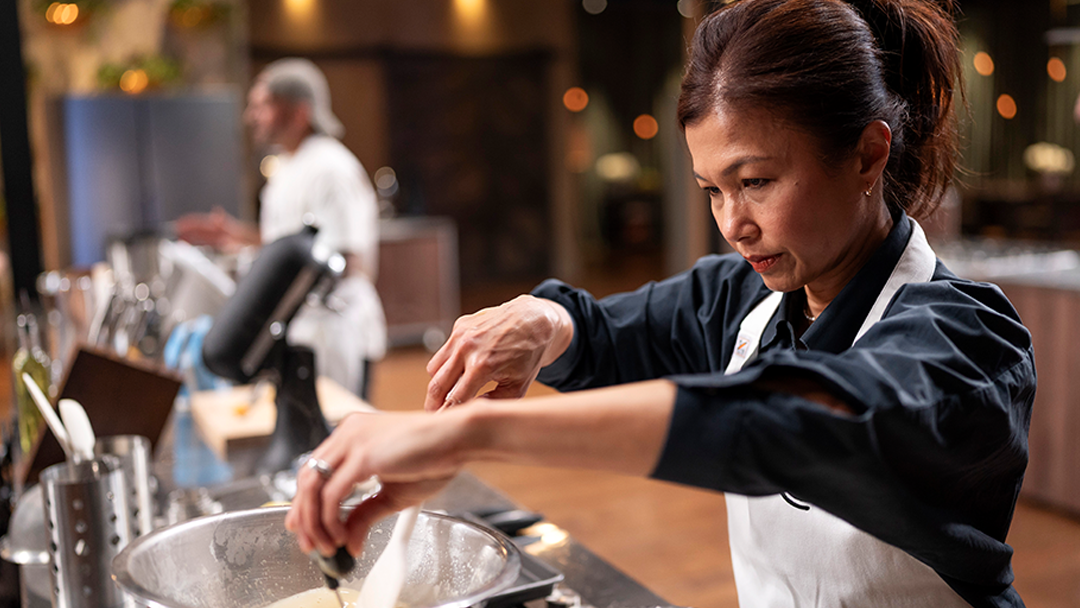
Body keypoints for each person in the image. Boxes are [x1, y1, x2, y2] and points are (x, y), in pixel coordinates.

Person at [286, 1, 1033, 606]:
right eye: (713, 189)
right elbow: (605, 335)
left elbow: (798, 418)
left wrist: (467, 435)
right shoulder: (745, 300)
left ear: (869, 153)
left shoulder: (967, 343)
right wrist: (542, 322)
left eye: (757, 181)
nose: (733, 224)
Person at [176, 58, 386, 397]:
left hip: (335, 334)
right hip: (300, 330)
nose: (250, 116)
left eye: (262, 106)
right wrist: (235, 235)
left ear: (300, 113)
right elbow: (288, 244)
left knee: (341, 435)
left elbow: (347, 259)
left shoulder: (331, 168)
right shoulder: (287, 165)